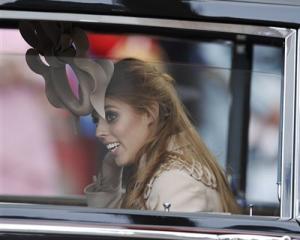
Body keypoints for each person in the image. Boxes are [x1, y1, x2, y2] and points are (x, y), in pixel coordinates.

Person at [84, 58, 239, 213]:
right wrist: (108, 182)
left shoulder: (176, 183)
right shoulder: (158, 171)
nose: (99, 132)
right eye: (96, 120)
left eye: (111, 116)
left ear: (149, 113)